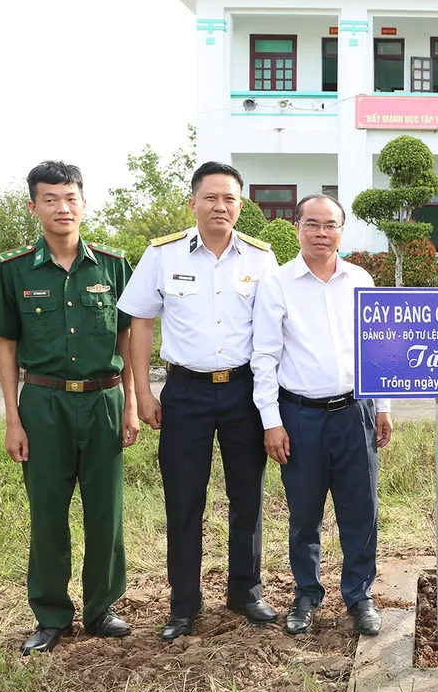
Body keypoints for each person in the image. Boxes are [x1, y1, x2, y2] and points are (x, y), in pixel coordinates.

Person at [0, 161, 138, 654]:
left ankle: (101, 608)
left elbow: (129, 336)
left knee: (105, 511)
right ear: (34, 206)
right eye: (50, 199)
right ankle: (51, 615)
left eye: (70, 198)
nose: (62, 207)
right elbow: (6, 345)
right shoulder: (13, 268)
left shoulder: (112, 265)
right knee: (47, 512)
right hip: (42, 404)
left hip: (103, 400)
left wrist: (131, 403)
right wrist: (13, 418)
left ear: (83, 203)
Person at [117, 161, 281, 641]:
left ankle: (245, 592)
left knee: (246, 495)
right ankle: (183, 604)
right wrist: (143, 391)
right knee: (184, 500)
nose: (221, 206)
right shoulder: (162, 255)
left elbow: (274, 332)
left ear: (241, 205)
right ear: (193, 203)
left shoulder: (260, 258)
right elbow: (140, 322)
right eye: (211, 197)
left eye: (230, 198)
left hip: (244, 392)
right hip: (184, 392)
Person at [251, 194, 393, 636]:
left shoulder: (361, 278)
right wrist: (271, 421)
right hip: (300, 418)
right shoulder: (277, 284)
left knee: (361, 510)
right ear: (297, 228)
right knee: (304, 513)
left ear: (342, 231)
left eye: (330, 225)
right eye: (312, 224)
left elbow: (378, 346)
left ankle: (359, 594)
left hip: (356, 412)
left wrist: (383, 407)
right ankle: (307, 593)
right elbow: (264, 358)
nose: (321, 233)